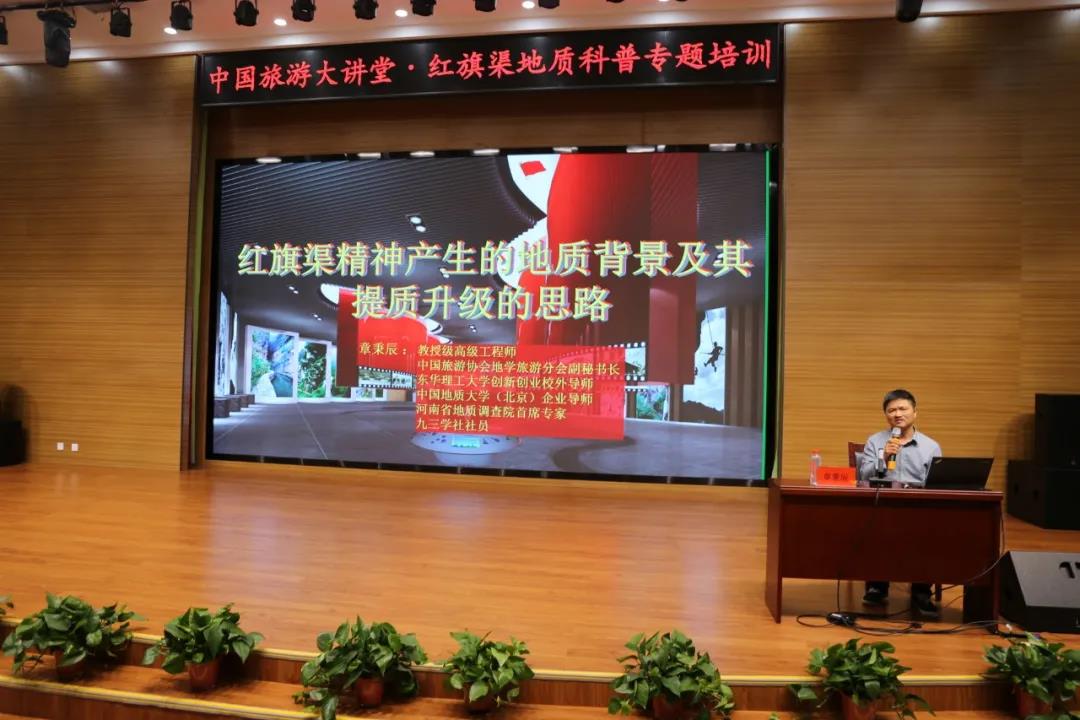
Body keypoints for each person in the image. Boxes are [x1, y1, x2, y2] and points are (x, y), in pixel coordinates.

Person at [857, 389, 943, 618]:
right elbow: (863, 476)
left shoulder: (931, 446)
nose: (897, 414)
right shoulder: (875, 441)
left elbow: (936, 484)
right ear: (886, 415)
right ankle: (877, 586)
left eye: (903, 409)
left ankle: (921, 591)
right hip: (882, 504)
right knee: (874, 527)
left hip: (918, 507)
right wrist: (883, 457)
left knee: (929, 532)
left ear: (915, 412)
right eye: (891, 410)